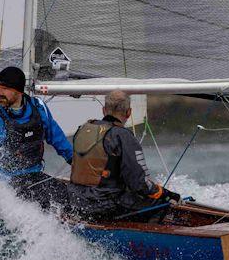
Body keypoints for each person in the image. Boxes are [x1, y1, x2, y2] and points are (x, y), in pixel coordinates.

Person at [67, 90, 180, 221]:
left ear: (104, 110)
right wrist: (166, 194)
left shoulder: (82, 129)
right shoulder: (123, 135)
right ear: (129, 112)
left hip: (75, 200)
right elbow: (139, 183)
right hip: (104, 205)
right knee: (161, 204)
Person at [0, 66, 73, 209]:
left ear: (18, 91)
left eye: (5, 89)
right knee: (41, 204)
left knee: (69, 199)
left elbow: (58, 139)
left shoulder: (38, 108)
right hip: (6, 183)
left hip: (35, 176)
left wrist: (76, 163)